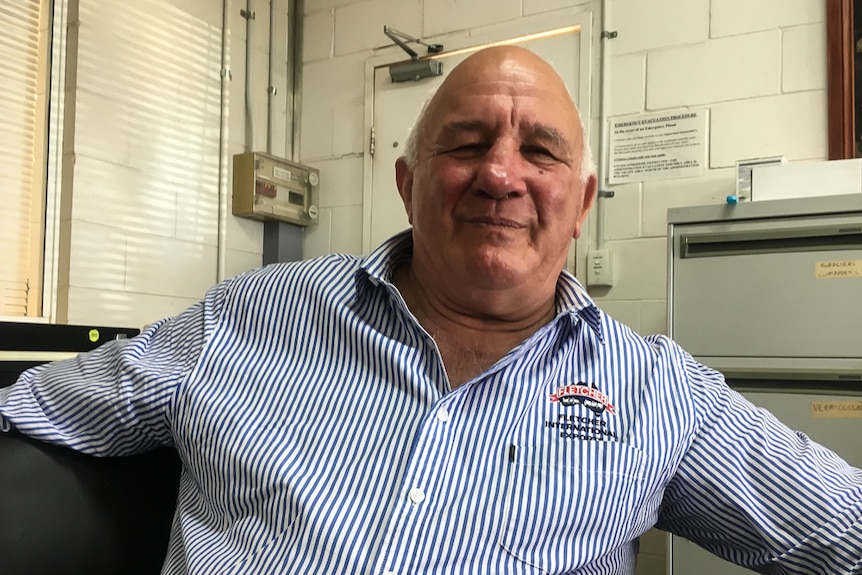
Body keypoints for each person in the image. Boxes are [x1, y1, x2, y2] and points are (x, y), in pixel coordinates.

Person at [1, 45, 861, 575]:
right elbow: (43, 403)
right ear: (409, 184)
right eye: (466, 142)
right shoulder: (252, 315)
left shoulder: (659, 394)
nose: (500, 173)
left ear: (582, 200)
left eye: (539, 150)